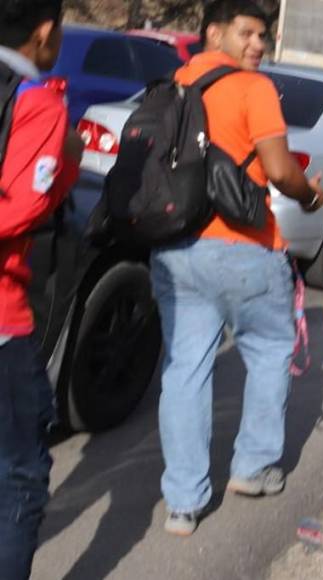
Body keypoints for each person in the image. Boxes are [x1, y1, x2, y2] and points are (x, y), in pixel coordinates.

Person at [152, 0, 323, 537]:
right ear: (214, 31)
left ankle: (183, 502)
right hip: (244, 244)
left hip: (175, 246)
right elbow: (279, 170)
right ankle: (252, 467)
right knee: (271, 350)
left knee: (185, 369)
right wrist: (312, 197)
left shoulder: (172, 82)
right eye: (248, 33)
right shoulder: (254, 89)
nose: (258, 45)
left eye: (264, 36)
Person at [0, 1, 83, 576]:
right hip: (4, 319)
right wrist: (68, 160)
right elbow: (23, 209)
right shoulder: (39, 102)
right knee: (21, 474)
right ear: (45, 32)